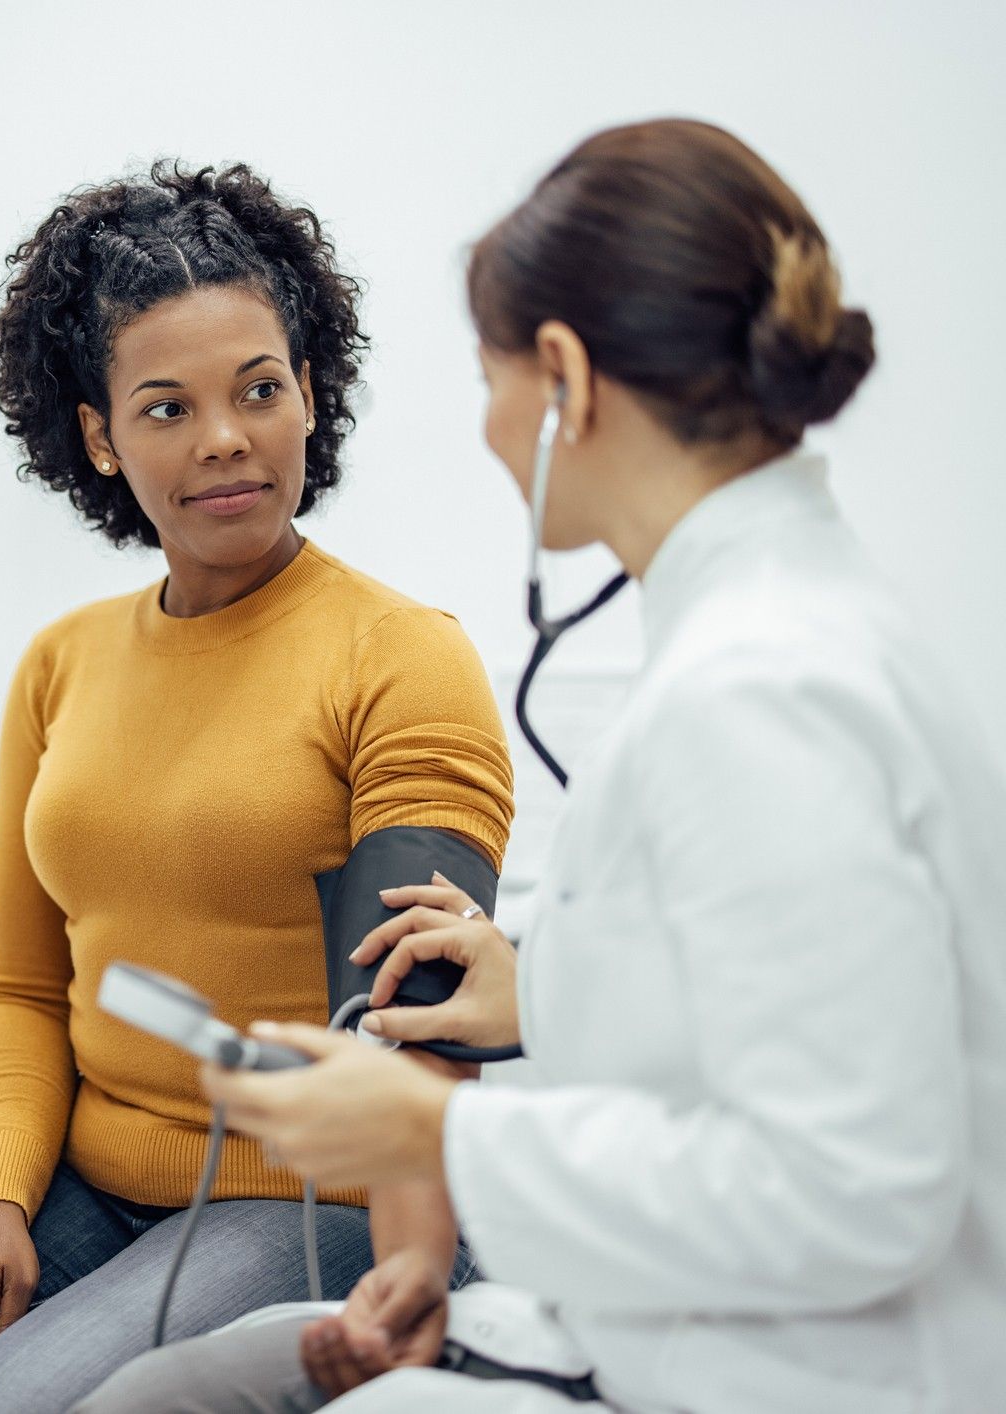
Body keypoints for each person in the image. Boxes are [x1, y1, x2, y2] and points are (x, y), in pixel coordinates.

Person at [75, 118, 1006, 1414]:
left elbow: (857, 1186)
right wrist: (548, 991)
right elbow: (795, 1008)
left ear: (563, 376)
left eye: (491, 375)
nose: (492, 427)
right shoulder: (790, 631)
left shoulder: (759, 691)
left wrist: (435, 1132)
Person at [0, 161, 514, 1414]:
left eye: (258, 389)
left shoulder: (398, 656)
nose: (224, 437)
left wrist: (409, 1261)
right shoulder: (60, 665)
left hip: (312, 1195)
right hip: (88, 1177)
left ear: (308, 394)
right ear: (98, 436)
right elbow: (21, 985)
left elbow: (406, 1038)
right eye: (166, 406)